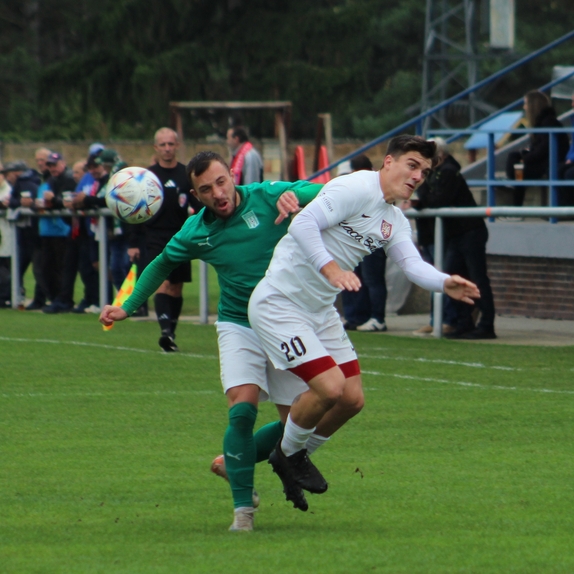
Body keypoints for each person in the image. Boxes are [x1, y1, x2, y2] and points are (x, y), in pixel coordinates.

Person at [100, 151, 356, 532]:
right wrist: (128, 305)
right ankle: (243, 512)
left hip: (287, 321)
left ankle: (234, 462)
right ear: (195, 194)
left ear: (232, 176)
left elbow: (323, 192)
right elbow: (160, 264)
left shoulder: (267, 196)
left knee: (297, 421)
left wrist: (302, 198)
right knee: (242, 407)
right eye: (206, 189)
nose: (218, 193)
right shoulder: (195, 231)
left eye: (221, 182)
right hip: (240, 323)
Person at [247, 135, 481, 498]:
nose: (418, 176)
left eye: (425, 171)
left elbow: (412, 265)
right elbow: (301, 225)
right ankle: (289, 455)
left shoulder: (394, 219)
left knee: (352, 399)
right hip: (280, 303)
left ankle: (292, 458)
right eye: (412, 165)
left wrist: (444, 281)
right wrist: (332, 270)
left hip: (318, 311)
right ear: (388, 162)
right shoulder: (356, 187)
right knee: (330, 387)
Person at [411, 138, 496, 339]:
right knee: (452, 276)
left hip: (470, 232)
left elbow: (439, 200)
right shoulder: (437, 173)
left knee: (477, 278)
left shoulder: (448, 172)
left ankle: (486, 325)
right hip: (457, 234)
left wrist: (420, 201)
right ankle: (464, 322)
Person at [127, 128, 202, 350]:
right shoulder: (147, 177)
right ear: (156, 148)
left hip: (180, 234)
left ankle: (171, 333)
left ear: (177, 146)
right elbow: (134, 210)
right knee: (162, 282)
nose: (167, 148)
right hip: (155, 234)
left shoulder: (186, 174)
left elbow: (198, 204)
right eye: (163, 145)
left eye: (171, 144)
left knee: (176, 288)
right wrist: (133, 242)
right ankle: (165, 332)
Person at [341, 154, 389, 332]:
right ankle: (357, 316)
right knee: (359, 278)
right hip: (359, 238)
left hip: (373, 237)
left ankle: (377, 317)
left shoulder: (375, 183)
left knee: (372, 279)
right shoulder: (369, 183)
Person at [505, 90, 570, 207]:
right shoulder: (540, 123)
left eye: (526, 104)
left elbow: (544, 149)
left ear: (533, 105)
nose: (524, 107)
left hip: (549, 163)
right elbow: (537, 147)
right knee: (514, 158)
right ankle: (513, 185)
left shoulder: (549, 122)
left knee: (519, 171)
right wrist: (525, 154)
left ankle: (516, 206)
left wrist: (526, 159)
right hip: (541, 160)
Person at [39, 152, 76, 313]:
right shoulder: (52, 180)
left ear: (63, 163)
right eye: (50, 165)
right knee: (50, 267)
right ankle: (57, 298)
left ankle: (64, 299)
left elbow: (67, 201)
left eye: (54, 164)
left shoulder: (68, 178)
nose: (52, 168)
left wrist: (53, 200)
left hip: (66, 230)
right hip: (60, 229)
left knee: (64, 267)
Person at [3, 161, 42, 308]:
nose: (7, 177)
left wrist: (16, 202)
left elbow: (18, 202)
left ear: (16, 173)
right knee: (21, 268)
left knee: (37, 270)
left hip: (31, 234)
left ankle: (37, 299)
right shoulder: (29, 182)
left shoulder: (25, 183)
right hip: (26, 234)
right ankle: (18, 296)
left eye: (8, 174)